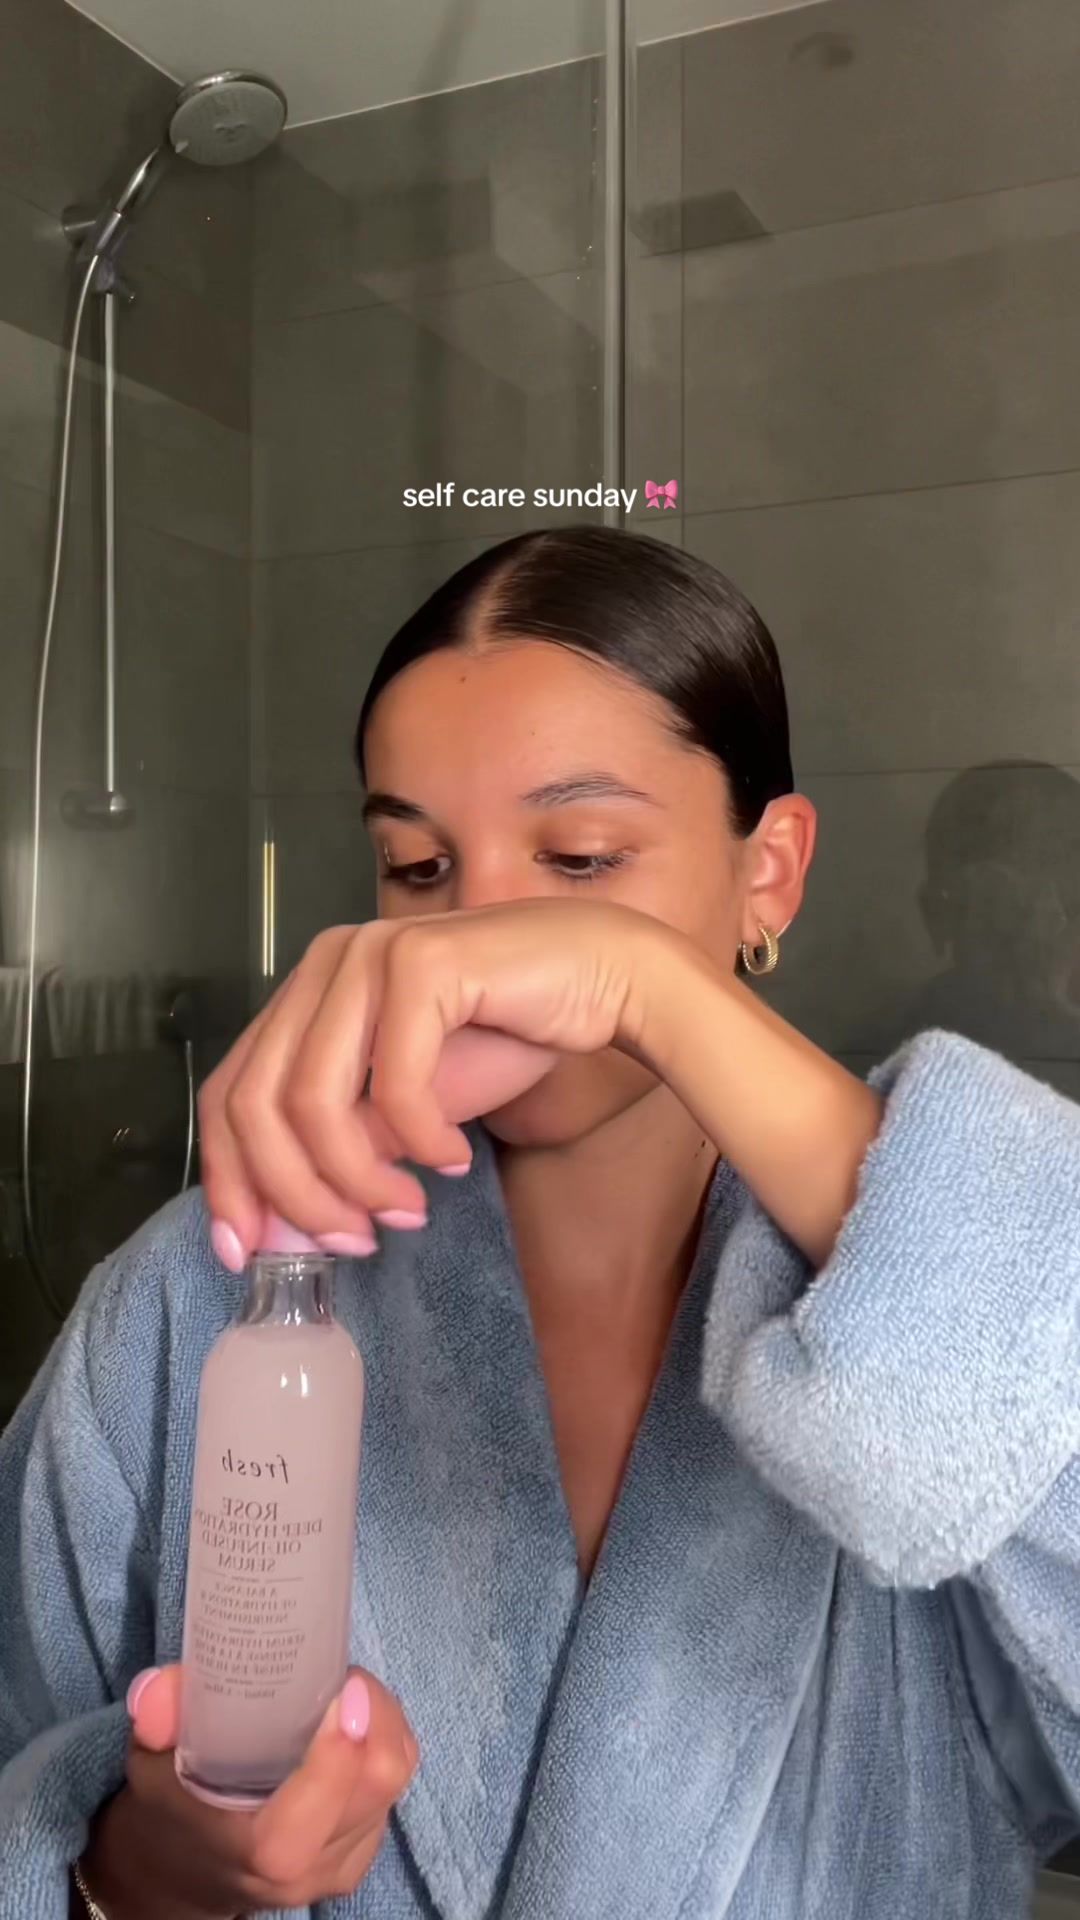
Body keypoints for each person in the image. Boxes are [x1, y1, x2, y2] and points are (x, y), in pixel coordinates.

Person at [1, 524, 1079, 1920]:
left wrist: (648, 991)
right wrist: (137, 1871)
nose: (478, 940)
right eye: (418, 867)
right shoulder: (199, 1298)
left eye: (579, 858)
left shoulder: (959, 1314)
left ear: (770, 871)